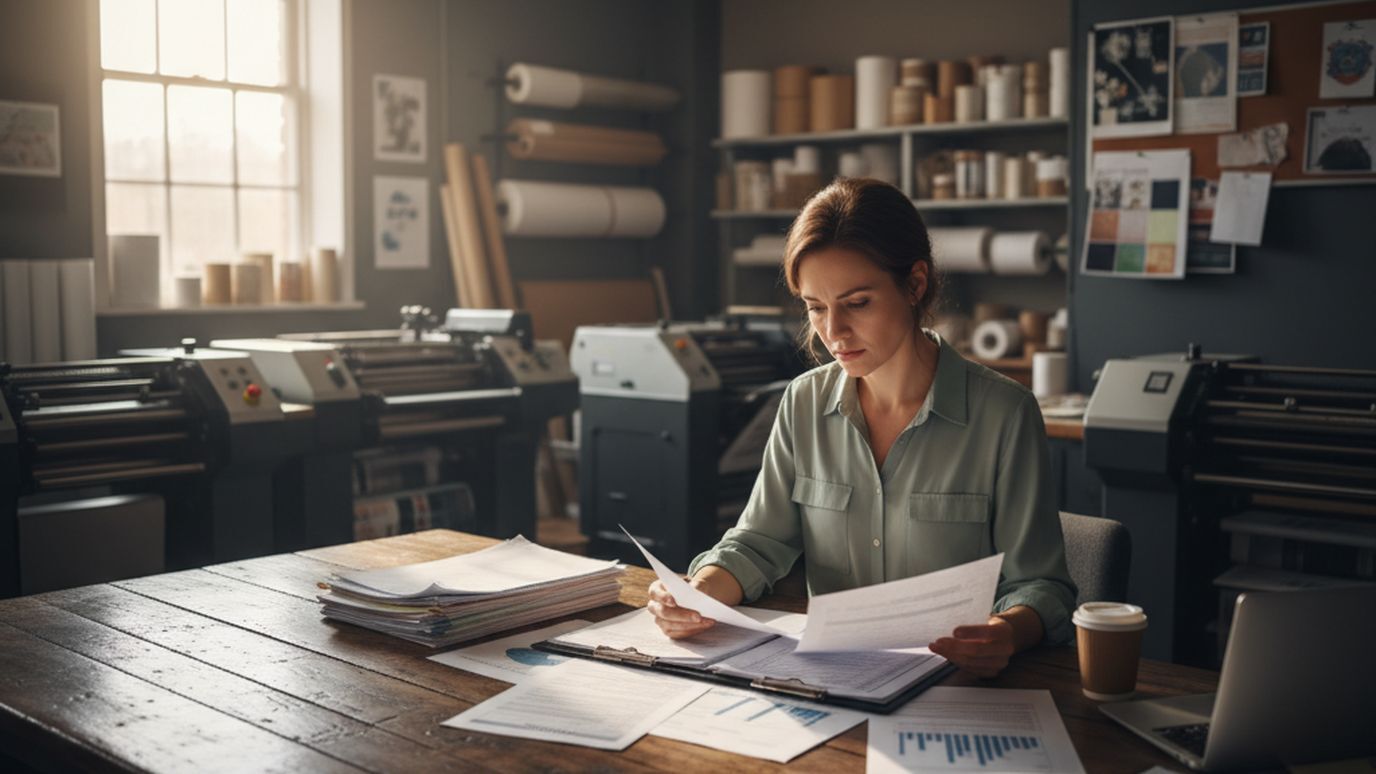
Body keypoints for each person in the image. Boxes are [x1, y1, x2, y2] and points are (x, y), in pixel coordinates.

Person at [647, 177, 1076, 678]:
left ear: (915, 284)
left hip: (953, 685)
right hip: (833, 683)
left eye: (857, 303)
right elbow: (758, 543)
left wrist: (1006, 631)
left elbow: (1041, 587)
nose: (833, 331)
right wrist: (699, 593)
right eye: (815, 307)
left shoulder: (1005, 413)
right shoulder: (803, 403)